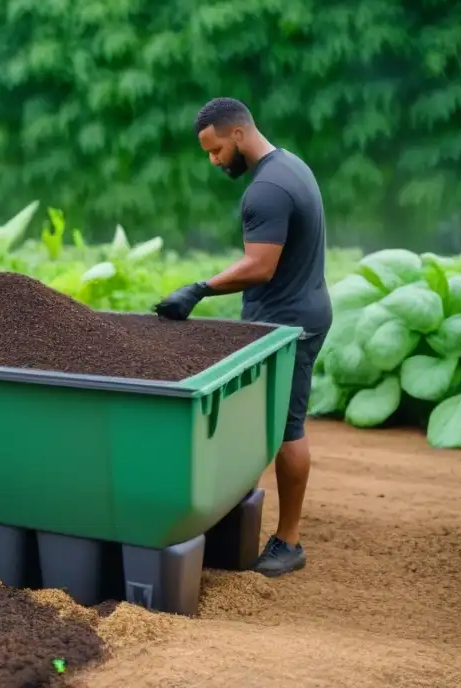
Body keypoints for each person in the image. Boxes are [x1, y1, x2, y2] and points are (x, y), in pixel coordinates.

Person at [154, 97, 332, 578]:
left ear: (236, 134)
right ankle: (233, 521)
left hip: (287, 325)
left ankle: (288, 542)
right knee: (257, 427)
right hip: (295, 312)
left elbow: (260, 265)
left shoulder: (267, 189)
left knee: (287, 430)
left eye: (214, 150)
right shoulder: (291, 165)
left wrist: (197, 290)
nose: (213, 161)